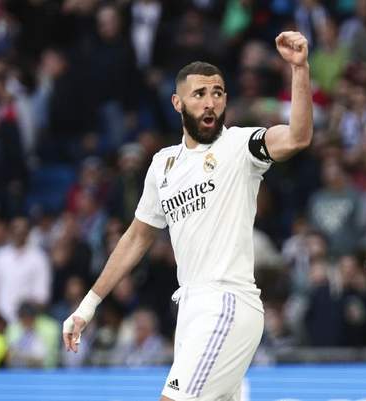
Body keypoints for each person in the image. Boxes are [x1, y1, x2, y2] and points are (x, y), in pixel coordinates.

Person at [62, 31, 313, 401]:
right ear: (177, 103)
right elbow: (136, 237)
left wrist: (300, 69)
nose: (210, 102)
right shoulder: (163, 164)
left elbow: (297, 137)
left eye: (218, 93)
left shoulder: (240, 146)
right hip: (191, 310)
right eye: (199, 94)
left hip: (226, 302)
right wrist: (87, 306)